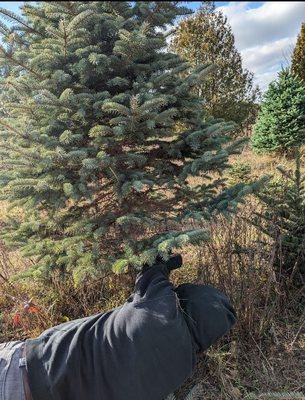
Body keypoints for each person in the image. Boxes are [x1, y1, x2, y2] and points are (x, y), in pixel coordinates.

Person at [0, 254, 236, 400]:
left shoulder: (162, 311)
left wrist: (168, 255)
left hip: (24, 370)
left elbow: (151, 267)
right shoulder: (184, 367)